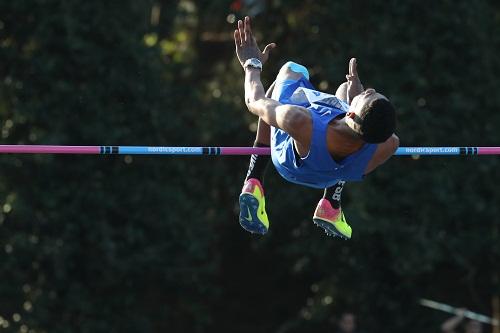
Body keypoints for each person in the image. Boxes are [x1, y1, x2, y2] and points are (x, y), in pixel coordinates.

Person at [234, 16, 399, 239]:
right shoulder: (388, 143)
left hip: (291, 161)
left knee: (292, 71)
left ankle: (254, 179)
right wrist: (352, 99)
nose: (368, 90)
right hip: (328, 176)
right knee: (342, 90)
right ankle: (331, 204)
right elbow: (354, 153)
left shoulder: (299, 120)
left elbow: (255, 101)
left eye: (367, 95)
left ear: (351, 113)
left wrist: (251, 65)